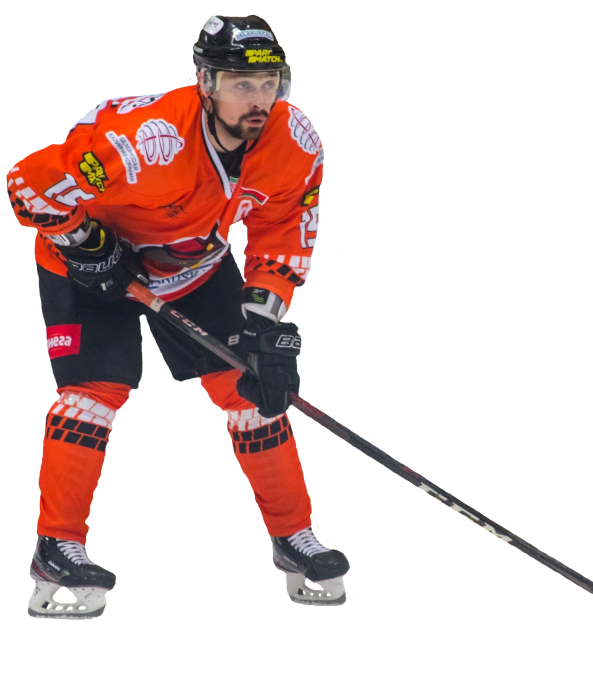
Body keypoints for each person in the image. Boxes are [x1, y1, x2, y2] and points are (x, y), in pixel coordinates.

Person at [8, 14, 349, 618]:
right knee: (92, 396)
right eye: (242, 84)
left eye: (269, 83)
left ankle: (294, 536)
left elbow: (286, 230)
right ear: (206, 82)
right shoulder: (145, 141)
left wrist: (261, 319)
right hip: (88, 265)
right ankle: (55, 547)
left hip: (192, 261)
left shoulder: (295, 141)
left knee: (251, 389)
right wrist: (84, 242)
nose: (259, 100)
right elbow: (27, 186)